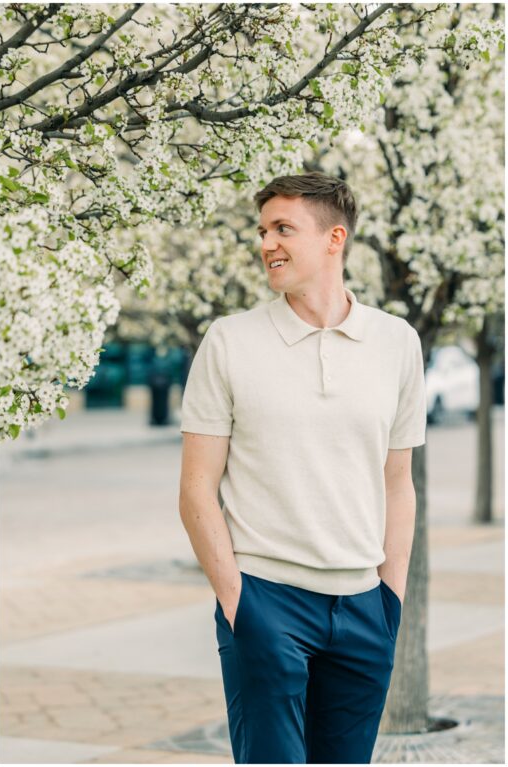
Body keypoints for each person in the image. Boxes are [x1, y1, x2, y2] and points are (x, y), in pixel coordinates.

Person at [178, 172, 426, 764]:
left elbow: (398, 483)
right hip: (267, 602)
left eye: (283, 229)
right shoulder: (230, 342)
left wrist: (391, 598)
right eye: (263, 230)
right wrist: (239, 602)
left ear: (334, 238)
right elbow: (195, 489)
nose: (267, 244)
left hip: (365, 605)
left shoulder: (397, 343)